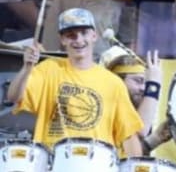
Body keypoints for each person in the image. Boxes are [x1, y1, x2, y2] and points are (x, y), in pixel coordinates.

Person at [7, 8, 143, 155]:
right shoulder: (48, 69)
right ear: (63, 40)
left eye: (84, 33)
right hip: (53, 162)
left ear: (94, 35)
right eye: (71, 35)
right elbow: (14, 97)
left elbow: (129, 135)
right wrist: (27, 68)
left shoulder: (113, 83)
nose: (78, 40)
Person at [102, 47, 171, 153]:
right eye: (138, 81)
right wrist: (153, 85)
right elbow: (140, 130)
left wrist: (155, 139)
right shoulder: (107, 106)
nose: (143, 89)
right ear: (118, 81)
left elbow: (126, 155)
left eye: (146, 83)